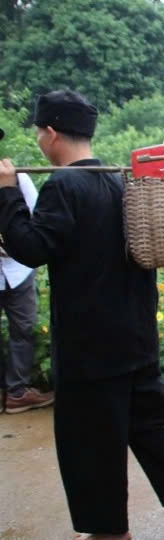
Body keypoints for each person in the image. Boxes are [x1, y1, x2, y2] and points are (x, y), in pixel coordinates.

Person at [0, 91, 164, 540]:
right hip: (134, 330)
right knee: (149, 422)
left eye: (40, 132)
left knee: (89, 435)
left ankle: (108, 527)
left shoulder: (64, 186)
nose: (39, 140)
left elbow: (31, 247)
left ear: (52, 134)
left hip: (90, 341)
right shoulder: (118, 180)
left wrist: (6, 195)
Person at [0, 125, 52, 414]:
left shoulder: (15, 177)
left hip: (17, 269)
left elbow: (35, 216)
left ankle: (17, 392)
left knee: (23, 328)